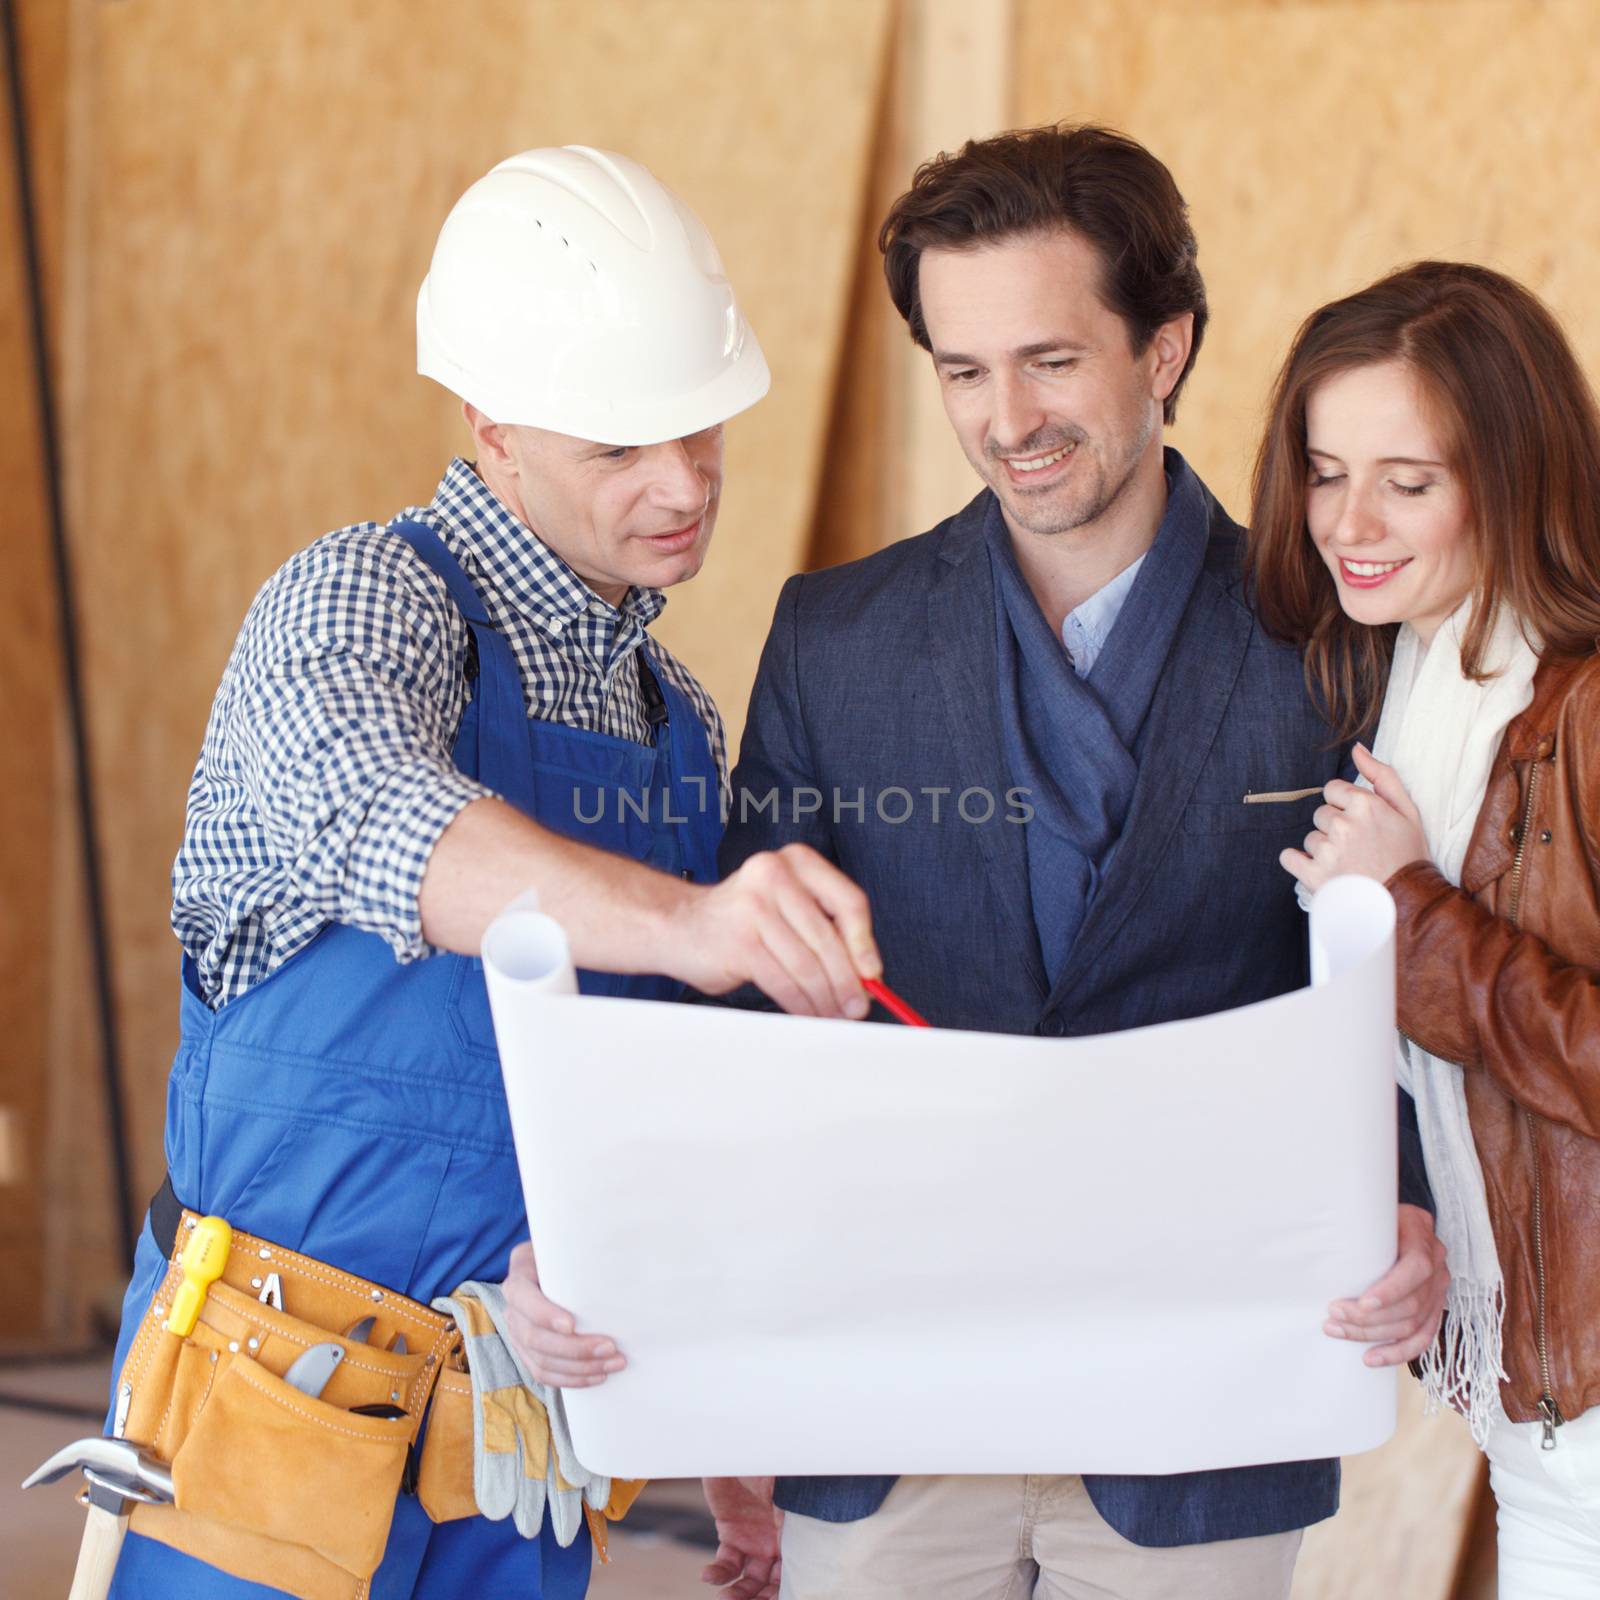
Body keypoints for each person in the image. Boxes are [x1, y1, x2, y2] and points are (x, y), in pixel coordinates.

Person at [99, 146, 879, 1600]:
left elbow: (656, 1103)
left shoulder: (677, 724)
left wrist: (719, 1412)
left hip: (511, 1447)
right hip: (260, 1433)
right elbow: (372, 807)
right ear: (492, 426)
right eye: (620, 448)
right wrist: (697, 919)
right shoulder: (359, 600)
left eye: (701, 432)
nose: (684, 484)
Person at [696, 124, 1448, 1600]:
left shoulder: (1340, 640)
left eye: (1050, 361)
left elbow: (1393, 980)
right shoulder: (833, 638)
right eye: (963, 370)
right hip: (889, 1381)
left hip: (1217, 1370)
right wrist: (728, 1356)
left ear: (1163, 349)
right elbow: (752, 1015)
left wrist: (1409, 1200)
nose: (1006, 419)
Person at [1249, 260, 1600, 1599]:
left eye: (1410, 480)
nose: (1353, 521)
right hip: (1541, 1421)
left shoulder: (1582, 713)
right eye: (1328, 470)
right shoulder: (1397, 694)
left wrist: (1412, 916)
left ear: (1510, 478)